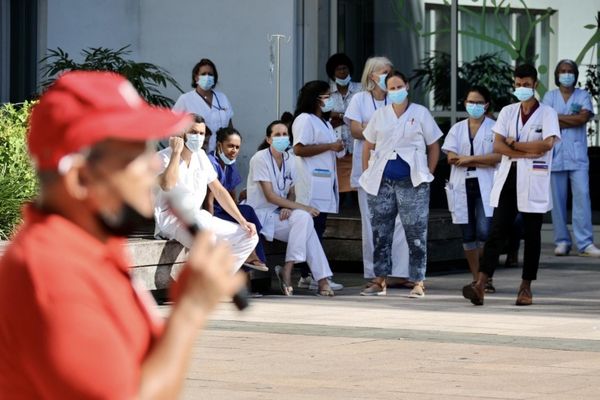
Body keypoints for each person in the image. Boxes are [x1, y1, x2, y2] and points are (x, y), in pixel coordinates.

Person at [0, 71, 245, 398]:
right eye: (132, 156)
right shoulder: (49, 272)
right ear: (79, 179)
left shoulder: (93, 249)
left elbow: (143, 366)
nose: (149, 167)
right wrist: (189, 310)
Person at [462, 64, 561, 306]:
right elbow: (497, 146)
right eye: (518, 84)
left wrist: (515, 145)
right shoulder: (508, 112)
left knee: (532, 235)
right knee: (497, 231)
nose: (522, 88)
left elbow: (547, 145)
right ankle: (481, 283)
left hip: (533, 180)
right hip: (509, 178)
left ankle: (526, 287)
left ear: (535, 85)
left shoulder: (547, 113)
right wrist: (527, 149)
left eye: (526, 84)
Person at [359, 70, 442, 298]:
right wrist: (368, 171)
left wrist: (429, 173)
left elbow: (434, 145)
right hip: (381, 182)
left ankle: (418, 281)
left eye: (399, 87)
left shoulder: (420, 113)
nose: (395, 91)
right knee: (380, 232)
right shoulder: (380, 115)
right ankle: (379, 280)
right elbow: (368, 144)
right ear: (386, 89)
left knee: (415, 231)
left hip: (412, 182)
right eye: (391, 88)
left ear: (407, 86)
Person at [153, 118, 259, 271]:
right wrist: (176, 153)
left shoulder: (201, 155)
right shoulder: (162, 157)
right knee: (208, 238)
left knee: (249, 236)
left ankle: (219, 282)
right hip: (172, 220)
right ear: (182, 133)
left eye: (201, 133)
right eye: (193, 132)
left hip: (199, 217)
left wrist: (242, 220)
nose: (198, 137)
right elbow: (167, 185)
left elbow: (219, 190)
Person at [246, 121, 336, 296]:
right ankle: (321, 279)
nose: (282, 138)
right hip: (261, 216)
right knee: (306, 219)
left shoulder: (290, 159)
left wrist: (289, 206)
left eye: (285, 134)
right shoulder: (260, 158)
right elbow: (270, 196)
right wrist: (302, 207)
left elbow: (291, 191)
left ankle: (288, 268)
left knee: (303, 219)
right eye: (277, 135)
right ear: (268, 139)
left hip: (280, 214)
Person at [344, 56, 412, 287]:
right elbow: (355, 131)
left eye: (391, 71)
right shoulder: (359, 99)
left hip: (397, 168)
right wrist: (379, 130)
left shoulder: (397, 99)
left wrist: (372, 129)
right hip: (368, 169)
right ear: (372, 75)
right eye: (384, 72)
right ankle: (377, 274)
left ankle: (401, 273)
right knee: (373, 221)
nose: (388, 75)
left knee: (401, 221)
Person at [442, 86, 501, 291]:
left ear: (486, 105)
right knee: (467, 234)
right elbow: (451, 157)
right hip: (462, 184)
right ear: (465, 103)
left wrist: (469, 159)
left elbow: (498, 157)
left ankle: (487, 277)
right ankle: (476, 278)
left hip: (485, 183)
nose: (474, 106)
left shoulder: (495, 128)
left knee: (485, 232)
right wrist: (478, 160)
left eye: (478, 102)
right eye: (470, 102)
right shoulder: (457, 129)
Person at [291, 80, 346, 291]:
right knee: (313, 229)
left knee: (317, 228)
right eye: (326, 95)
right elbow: (299, 149)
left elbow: (328, 148)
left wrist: (336, 147)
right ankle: (315, 275)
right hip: (311, 183)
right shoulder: (305, 120)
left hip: (324, 182)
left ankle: (307, 275)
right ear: (316, 98)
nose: (330, 98)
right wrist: (330, 146)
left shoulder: (322, 121)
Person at [543, 59, 600, 257]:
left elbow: (583, 118)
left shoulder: (583, 95)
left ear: (575, 75)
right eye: (562, 71)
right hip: (556, 155)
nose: (566, 74)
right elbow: (546, 119)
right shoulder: (549, 97)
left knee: (582, 197)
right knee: (557, 201)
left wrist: (558, 118)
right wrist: (570, 119)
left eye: (569, 71)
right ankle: (562, 241)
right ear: (557, 75)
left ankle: (585, 243)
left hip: (577, 157)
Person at [206, 126, 268, 270]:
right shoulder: (210, 162)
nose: (234, 150)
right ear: (219, 145)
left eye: (237, 147)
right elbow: (209, 200)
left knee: (247, 211)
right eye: (230, 146)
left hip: (224, 210)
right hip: (212, 213)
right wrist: (208, 228)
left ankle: (254, 257)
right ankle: (252, 257)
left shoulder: (230, 163)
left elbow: (232, 192)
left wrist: (238, 212)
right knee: (245, 220)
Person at [172, 58, 234, 153]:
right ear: (196, 77)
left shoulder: (222, 98)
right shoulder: (185, 99)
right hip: (195, 153)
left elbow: (230, 126)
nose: (207, 77)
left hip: (221, 154)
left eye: (210, 74)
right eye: (203, 74)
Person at [325, 53, 361, 197]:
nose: (342, 72)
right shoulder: (327, 92)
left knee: (357, 186)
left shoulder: (361, 89)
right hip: (336, 146)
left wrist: (339, 115)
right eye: (338, 69)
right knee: (340, 188)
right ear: (333, 73)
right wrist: (347, 117)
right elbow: (326, 117)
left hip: (356, 144)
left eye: (344, 68)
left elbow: (362, 116)